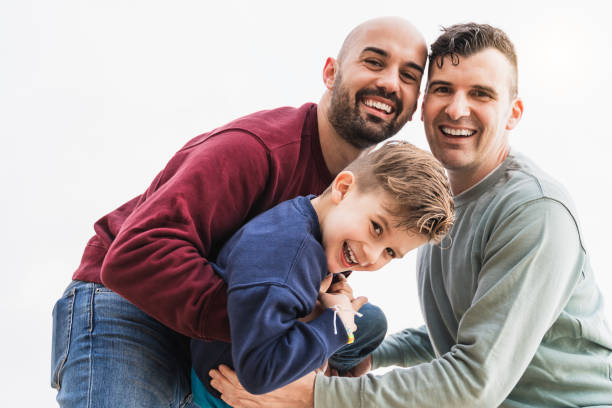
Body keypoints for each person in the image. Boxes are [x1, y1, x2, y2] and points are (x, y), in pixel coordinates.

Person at [209, 23, 612, 407]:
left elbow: (474, 384)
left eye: (481, 94)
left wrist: (315, 395)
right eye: (442, 89)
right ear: (422, 106)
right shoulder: (435, 211)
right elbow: (461, 334)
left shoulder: (534, 212)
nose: (457, 109)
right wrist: (363, 351)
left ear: (514, 113)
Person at [50, 17, 428, 408]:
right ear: (331, 73)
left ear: (415, 103)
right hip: (127, 307)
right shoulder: (257, 149)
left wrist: (327, 314)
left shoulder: (359, 207)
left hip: (206, 343)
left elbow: (287, 286)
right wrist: (280, 321)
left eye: (408, 75)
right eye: (374, 62)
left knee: (366, 322)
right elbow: (134, 258)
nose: (389, 82)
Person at [190, 140, 454, 407]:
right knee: (347, 324)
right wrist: (335, 323)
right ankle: (315, 374)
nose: (372, 255)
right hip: (221, 387)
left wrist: (326, 295)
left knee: (371, 321)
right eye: (376, 228)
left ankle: (321, 367)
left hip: (261, 331)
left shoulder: (305, 218)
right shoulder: (287, 259)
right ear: (344, 188)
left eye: (389, 252)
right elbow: (258, 374)